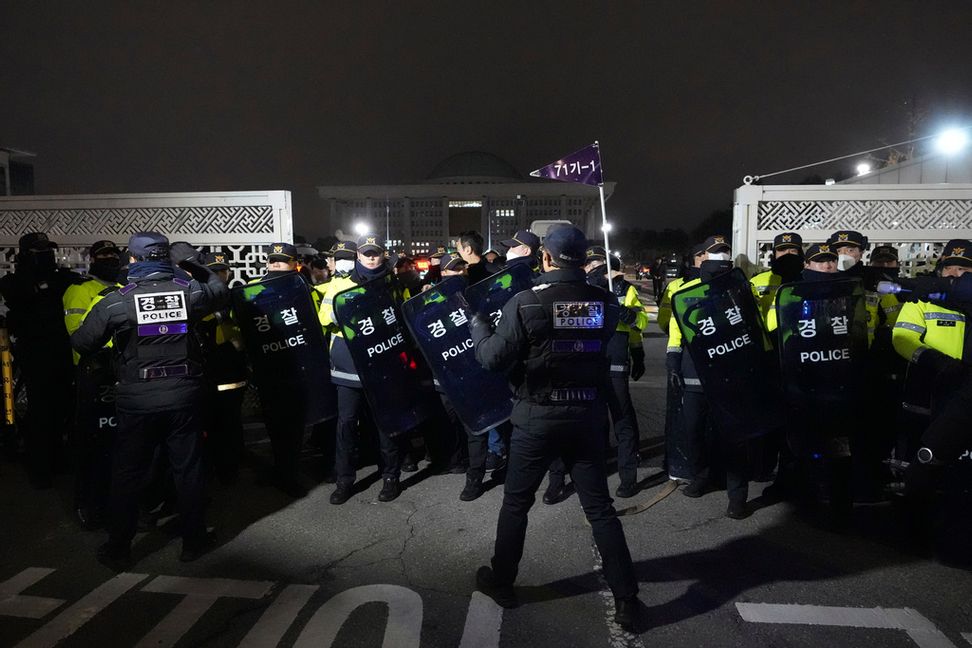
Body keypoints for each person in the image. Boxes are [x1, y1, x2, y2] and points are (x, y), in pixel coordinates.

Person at [470, 225, 640, 631]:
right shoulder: (603, 301)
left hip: (536, 417)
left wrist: (478, 329)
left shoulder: (526, 302)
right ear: (583, 259)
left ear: (545, 258)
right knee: (599, 509)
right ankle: (627, 599)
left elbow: (492, 359)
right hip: (586, 416)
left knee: (516, 503)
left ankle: (503, 582)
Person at [71, 232, 228, 568]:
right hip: (184, 396)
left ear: (132, 260)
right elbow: (219, 292)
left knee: (128, 473)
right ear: (166, 259)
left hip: (136, 400)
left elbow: (83, 343)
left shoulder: (115, 301)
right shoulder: (190, 291)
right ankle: (193, 541)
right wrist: (194, 264)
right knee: (187, 470)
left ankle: (119, 549)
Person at [320, 235, 408, 504]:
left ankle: (391, 477)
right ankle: (344, 480)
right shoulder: (340, 285)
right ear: (358, 255)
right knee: (346, 425)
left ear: (383, 255)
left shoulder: (394, 284)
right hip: (348, 366)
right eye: (366, 253)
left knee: (386, 424)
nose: (371, 258)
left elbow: (403, 320)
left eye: (375, 253)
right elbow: (324, 318)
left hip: (383, 364)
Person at [669, 236, 751, 519]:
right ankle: (700, 478)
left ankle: (737, 494)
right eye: (714, 255)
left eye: (725, 255)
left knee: (733, 436)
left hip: (731, 374)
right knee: (694, 432)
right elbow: (676, 329)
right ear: (702, 258)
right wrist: (673, 361)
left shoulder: (741, 289)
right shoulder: (686, 290)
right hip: (695, 373)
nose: (719, 260)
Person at [0, 232, 81, 489]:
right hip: (35, 356)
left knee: (64, 407)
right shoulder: (15, 281)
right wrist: (41, 290)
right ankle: (40, 468)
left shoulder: (60, 277)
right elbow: (19, 295)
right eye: (39, 251)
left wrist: (43, 290)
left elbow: (68, 284)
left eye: (48, 250)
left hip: (62, 353)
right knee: (40, 413)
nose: (46, 255)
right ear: (26, 254)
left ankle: (58, 460)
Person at [247, 242, 315, 497]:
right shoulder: (254, 292)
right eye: (272, 260)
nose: (275, 265)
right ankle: (281, 469)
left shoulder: (304, 290)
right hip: (268, 370)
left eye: (282, 261)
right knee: (275, 425)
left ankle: (290, 473)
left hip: (297, 369)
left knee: (293, 426)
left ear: (295, 264)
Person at [64, 240, 123, 527]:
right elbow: (78, 335)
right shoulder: (79, 290)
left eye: (114, 255)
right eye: (103, 256)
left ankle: (120, 504)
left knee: (123, 444)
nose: (110, 259)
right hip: (94, 372)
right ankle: (88, 505)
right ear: (93, 260)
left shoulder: (125, 288)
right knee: (92, 444)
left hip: (122, 372)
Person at [197, 252, 247, 485]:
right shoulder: (196, 297)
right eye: (213, 271)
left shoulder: (235, 297)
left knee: (230, 423)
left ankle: (230, 470)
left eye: (222, 271)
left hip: (230, 371)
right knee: (207, 425)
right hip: (204, 374)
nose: (219, 275)